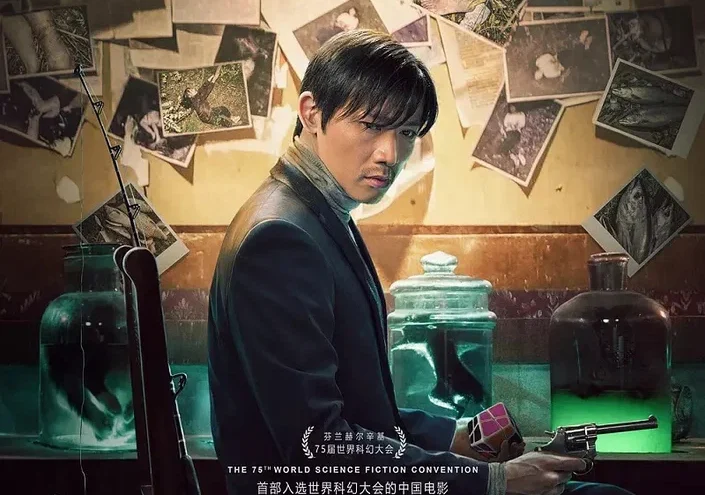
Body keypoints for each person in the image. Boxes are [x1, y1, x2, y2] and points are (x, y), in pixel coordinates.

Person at [208, 30, 636, 495]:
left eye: (407, 133)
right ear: (311, 113)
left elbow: (366, 414)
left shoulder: (318, 213)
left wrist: (454, 436)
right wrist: (494, 481)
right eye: (371, 125)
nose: (390, 154)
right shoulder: (280, 238)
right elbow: (319, 447)